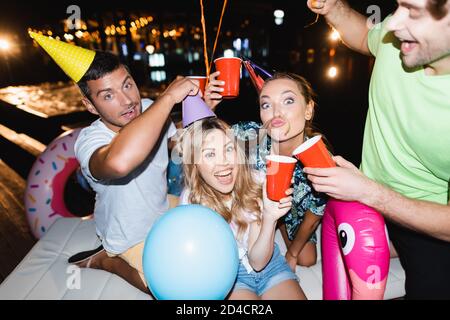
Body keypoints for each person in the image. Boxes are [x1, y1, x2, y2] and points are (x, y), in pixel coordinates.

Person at [304, 0, 450, 299]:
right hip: (363, 198)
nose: (392, 24)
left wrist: (371, 193)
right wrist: (333, 8)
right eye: (398, 7)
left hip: (426, 225)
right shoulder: (400, 37)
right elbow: (363, 36)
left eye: (413, 12)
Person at [71, 50, 199, 292]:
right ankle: (106, 261)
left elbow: (177, 144)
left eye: (127, 85)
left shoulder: (150, 108)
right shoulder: (89, 140)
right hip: (127, 234)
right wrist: (169, 97)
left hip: (163, 207)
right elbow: (118, 163)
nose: (127, 100)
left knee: (217, 215)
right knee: (174, 289)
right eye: (108, 95)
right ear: (90, 105)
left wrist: (203, 108)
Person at [205, 72, 329, 271]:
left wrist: (292, 253)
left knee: (307, 259)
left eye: (288, 101)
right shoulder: (250, 135)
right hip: (250, 208)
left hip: (293, 213)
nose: (276, 113)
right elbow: (200, 141)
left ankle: (279, 224)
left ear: (308, 110)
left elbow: (315, 212)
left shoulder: (319, 156)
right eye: (266, 105)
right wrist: (205, 107)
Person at [176, 117, 306, 299]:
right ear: (194, 164)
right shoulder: (191, 203)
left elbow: (258, 262)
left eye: (228, 149)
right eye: (210, 154)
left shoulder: (258, 182)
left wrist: (269, 217)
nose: (224, 163)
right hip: (228, 274)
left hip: (270, 264)